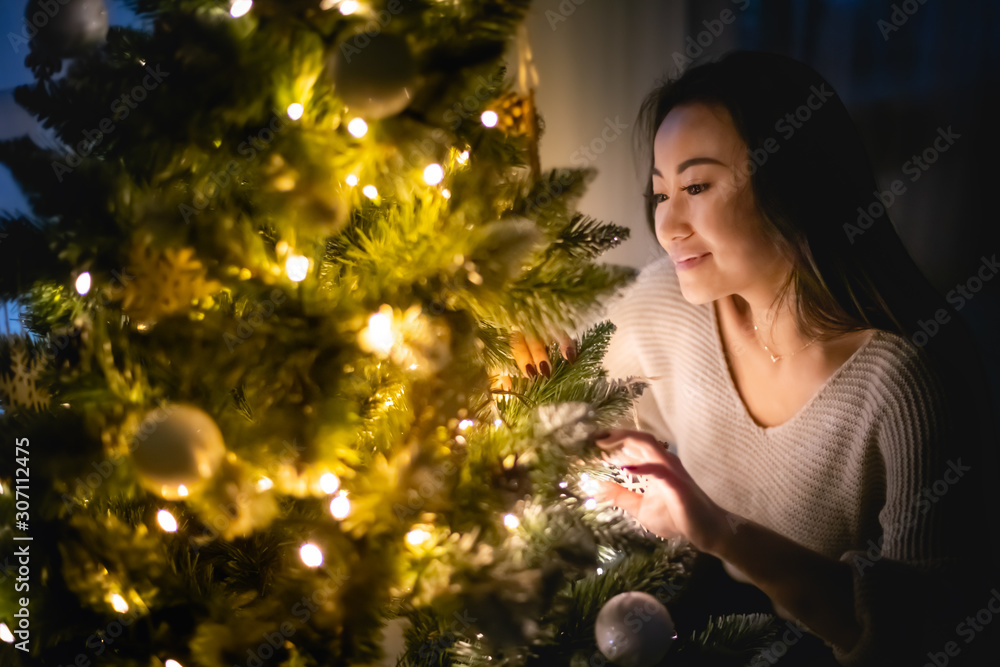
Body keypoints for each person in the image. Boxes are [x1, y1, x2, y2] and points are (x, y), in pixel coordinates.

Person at [506, 50, 1000, 665]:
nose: (668, 224)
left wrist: (718, 530)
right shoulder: (668, 301)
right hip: (687, 616)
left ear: (795, 185)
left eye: (696, 186)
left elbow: (928, 639)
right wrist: (536, 382)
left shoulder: (899, 387)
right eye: (660, 193)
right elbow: (582, 409)